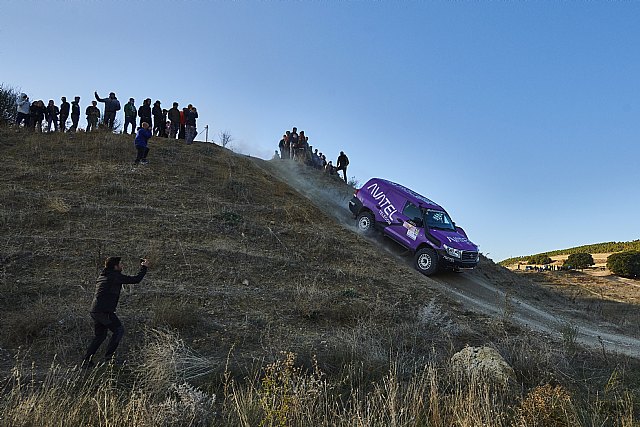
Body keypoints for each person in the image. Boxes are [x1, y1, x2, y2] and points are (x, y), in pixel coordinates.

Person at [82, 256, 149, 367]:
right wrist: (144, 268)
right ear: (115, 266)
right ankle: (108, 359)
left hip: (96, 311)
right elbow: (136, 280)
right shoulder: (114, 276)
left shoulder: (103, 276)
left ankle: (86, 361)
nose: (122, 266)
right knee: (118, 330)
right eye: (120, 264)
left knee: (100, 336)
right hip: (104, 312)